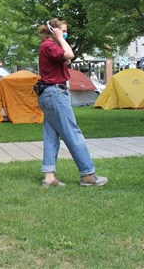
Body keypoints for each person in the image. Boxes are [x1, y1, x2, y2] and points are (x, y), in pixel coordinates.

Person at [36, 18, 108, 187]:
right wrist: (61, 38)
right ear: (54, 31)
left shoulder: (49, 47)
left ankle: (49, 177)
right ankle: (87, 174)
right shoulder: (49, 45)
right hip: (55, 93)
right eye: (63, 30)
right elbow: (69, 54)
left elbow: (64, 59)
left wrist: (63, 51)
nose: (65, 33)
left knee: (51, 135)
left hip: (48, 93)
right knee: (72, 132)